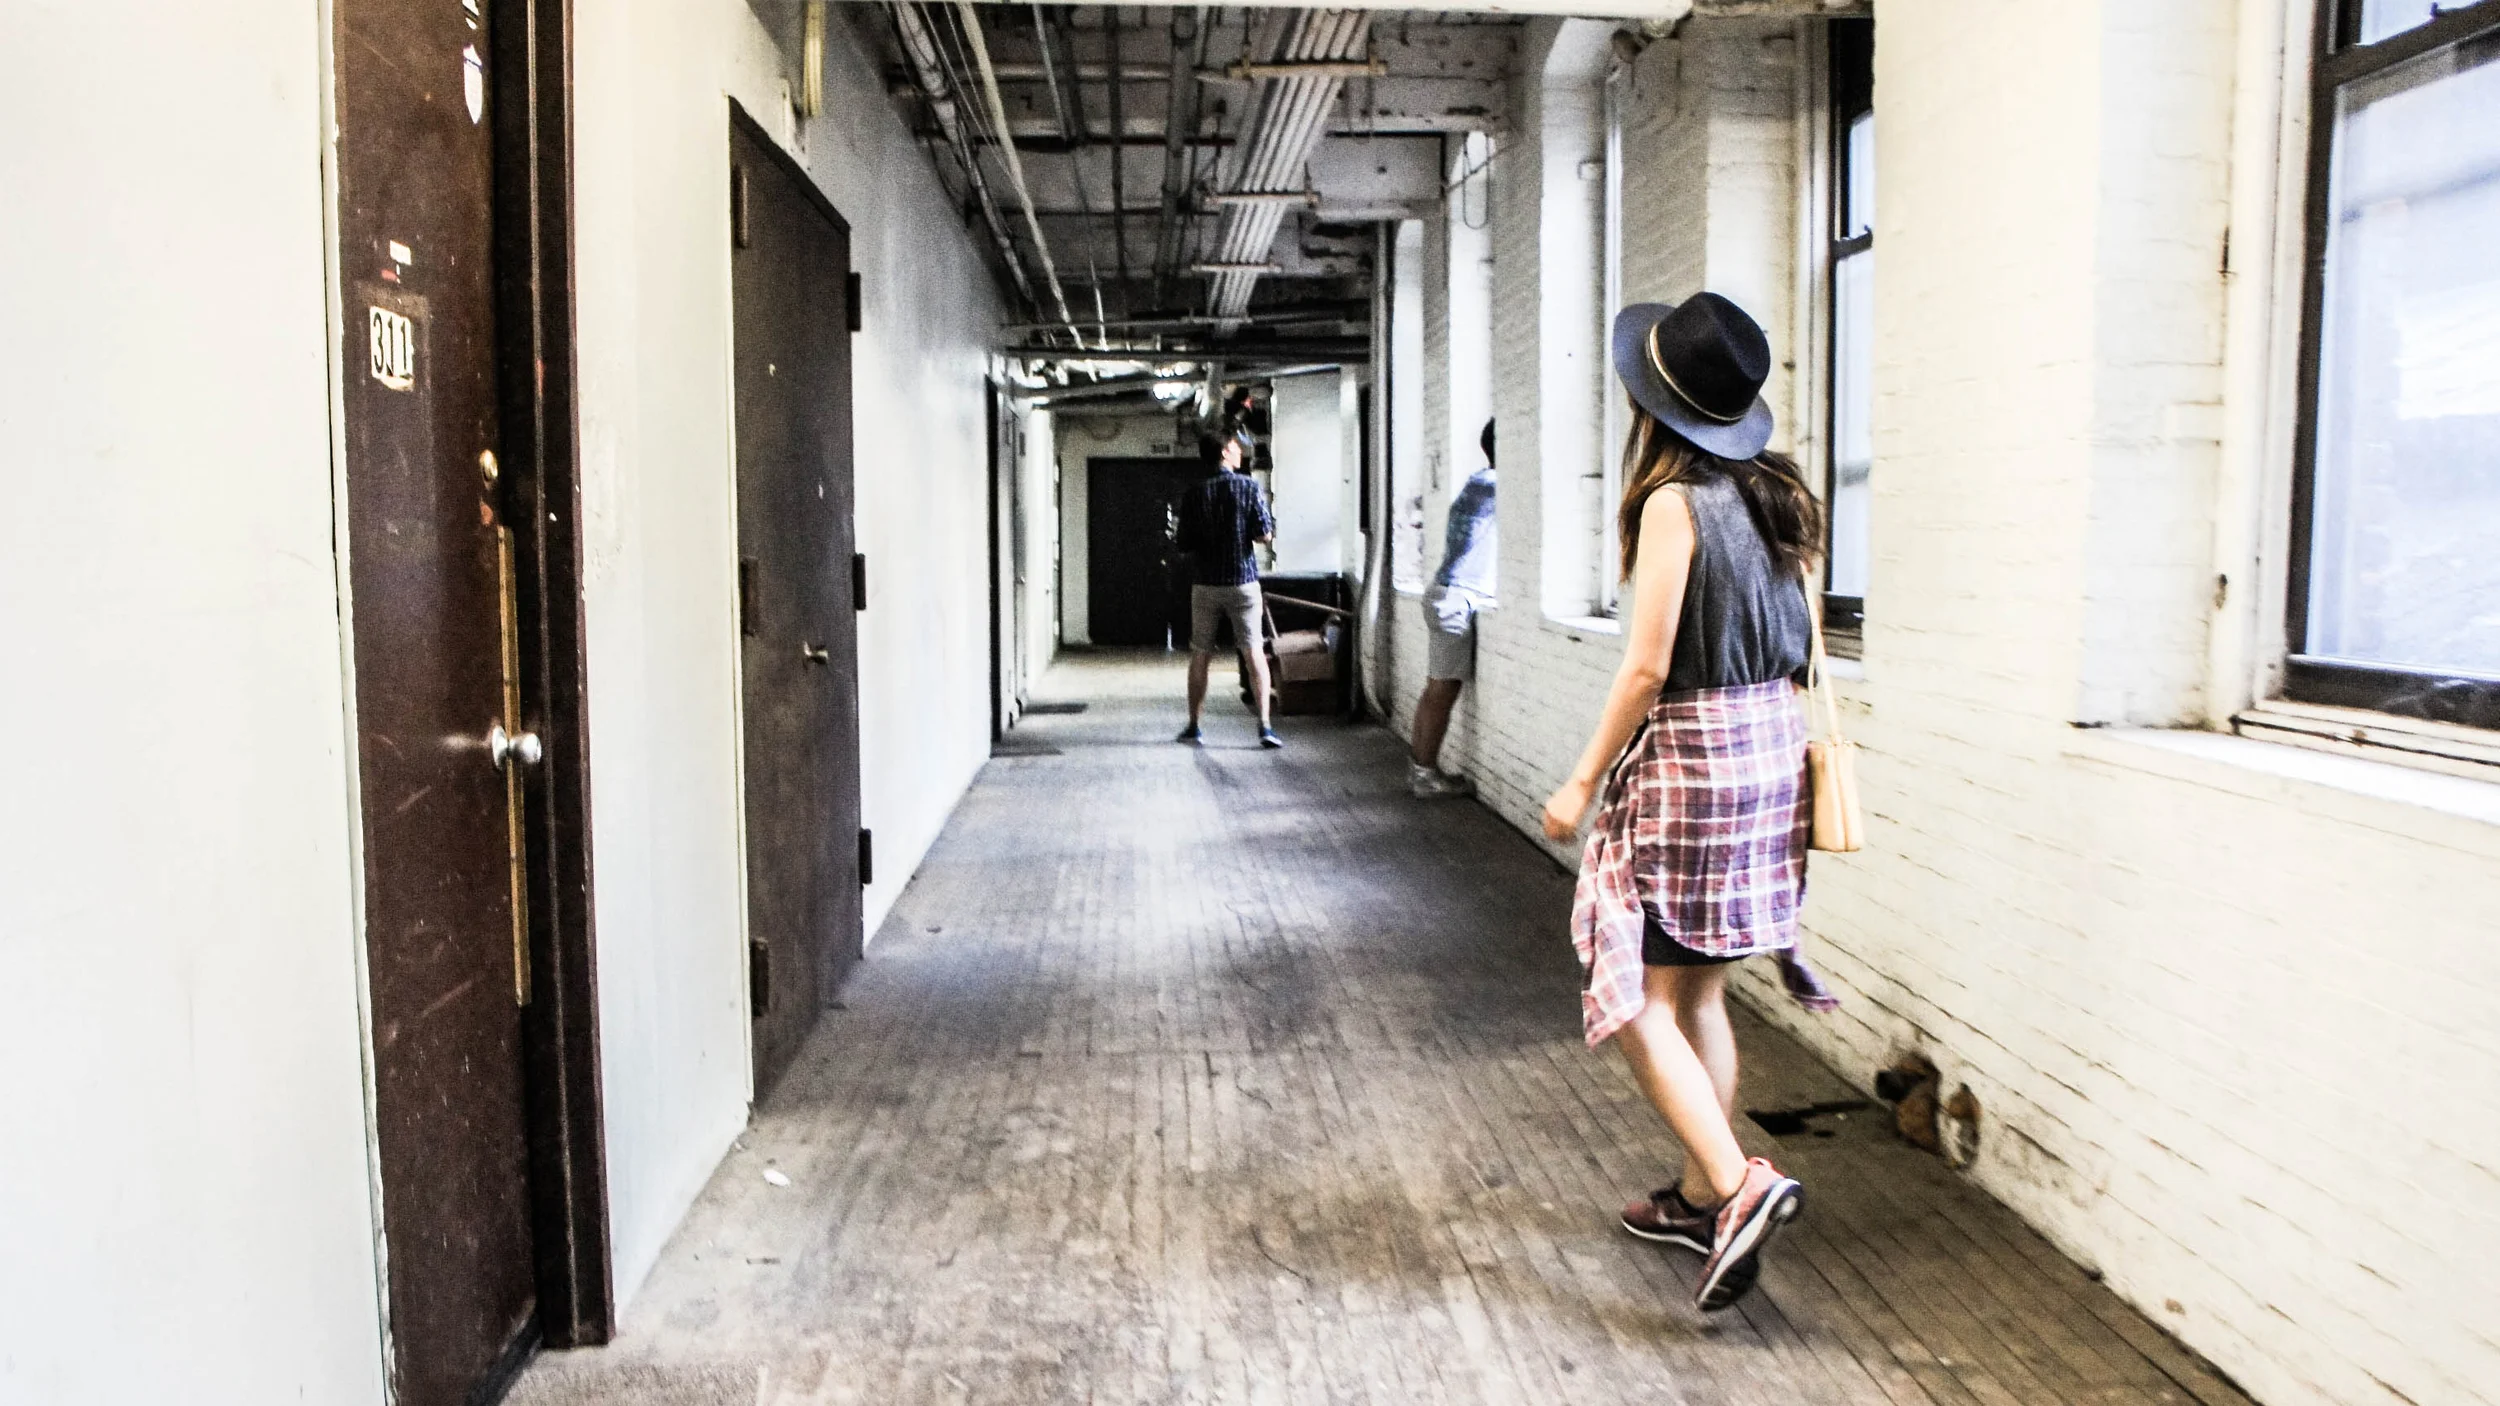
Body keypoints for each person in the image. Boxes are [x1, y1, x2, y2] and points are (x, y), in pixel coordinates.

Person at [1540, 292, 1836, 1314]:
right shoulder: (1778, 495)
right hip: (1770, 751)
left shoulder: (1675, 503)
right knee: (1699, 993)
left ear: (1651, 406)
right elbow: (1799, 641)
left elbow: (1647, 668)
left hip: (1696, 759)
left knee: (1635, 997)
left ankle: (1737, 1180)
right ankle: (1703, 1195)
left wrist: (1582, 779)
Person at [1174, 428, 1283, 749]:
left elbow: (1183, 544)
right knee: (1254, 653)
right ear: (1224, 452)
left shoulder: (1195, 493)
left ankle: (1194, 726)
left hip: (1206, 584)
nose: (1240, 451)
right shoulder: (1248, 486)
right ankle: (1265, 727)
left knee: (1201, 654)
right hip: (1242, 582)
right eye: (1235, 446)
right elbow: (1263, 534)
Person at [1409, 420, 1496, 798]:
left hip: (1446, 593)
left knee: (1435, 691)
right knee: (1441, 692)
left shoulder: (1478, 482)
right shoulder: (1494, 486)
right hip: (1456, 598)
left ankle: (1421, 770)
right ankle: (1424, 776)